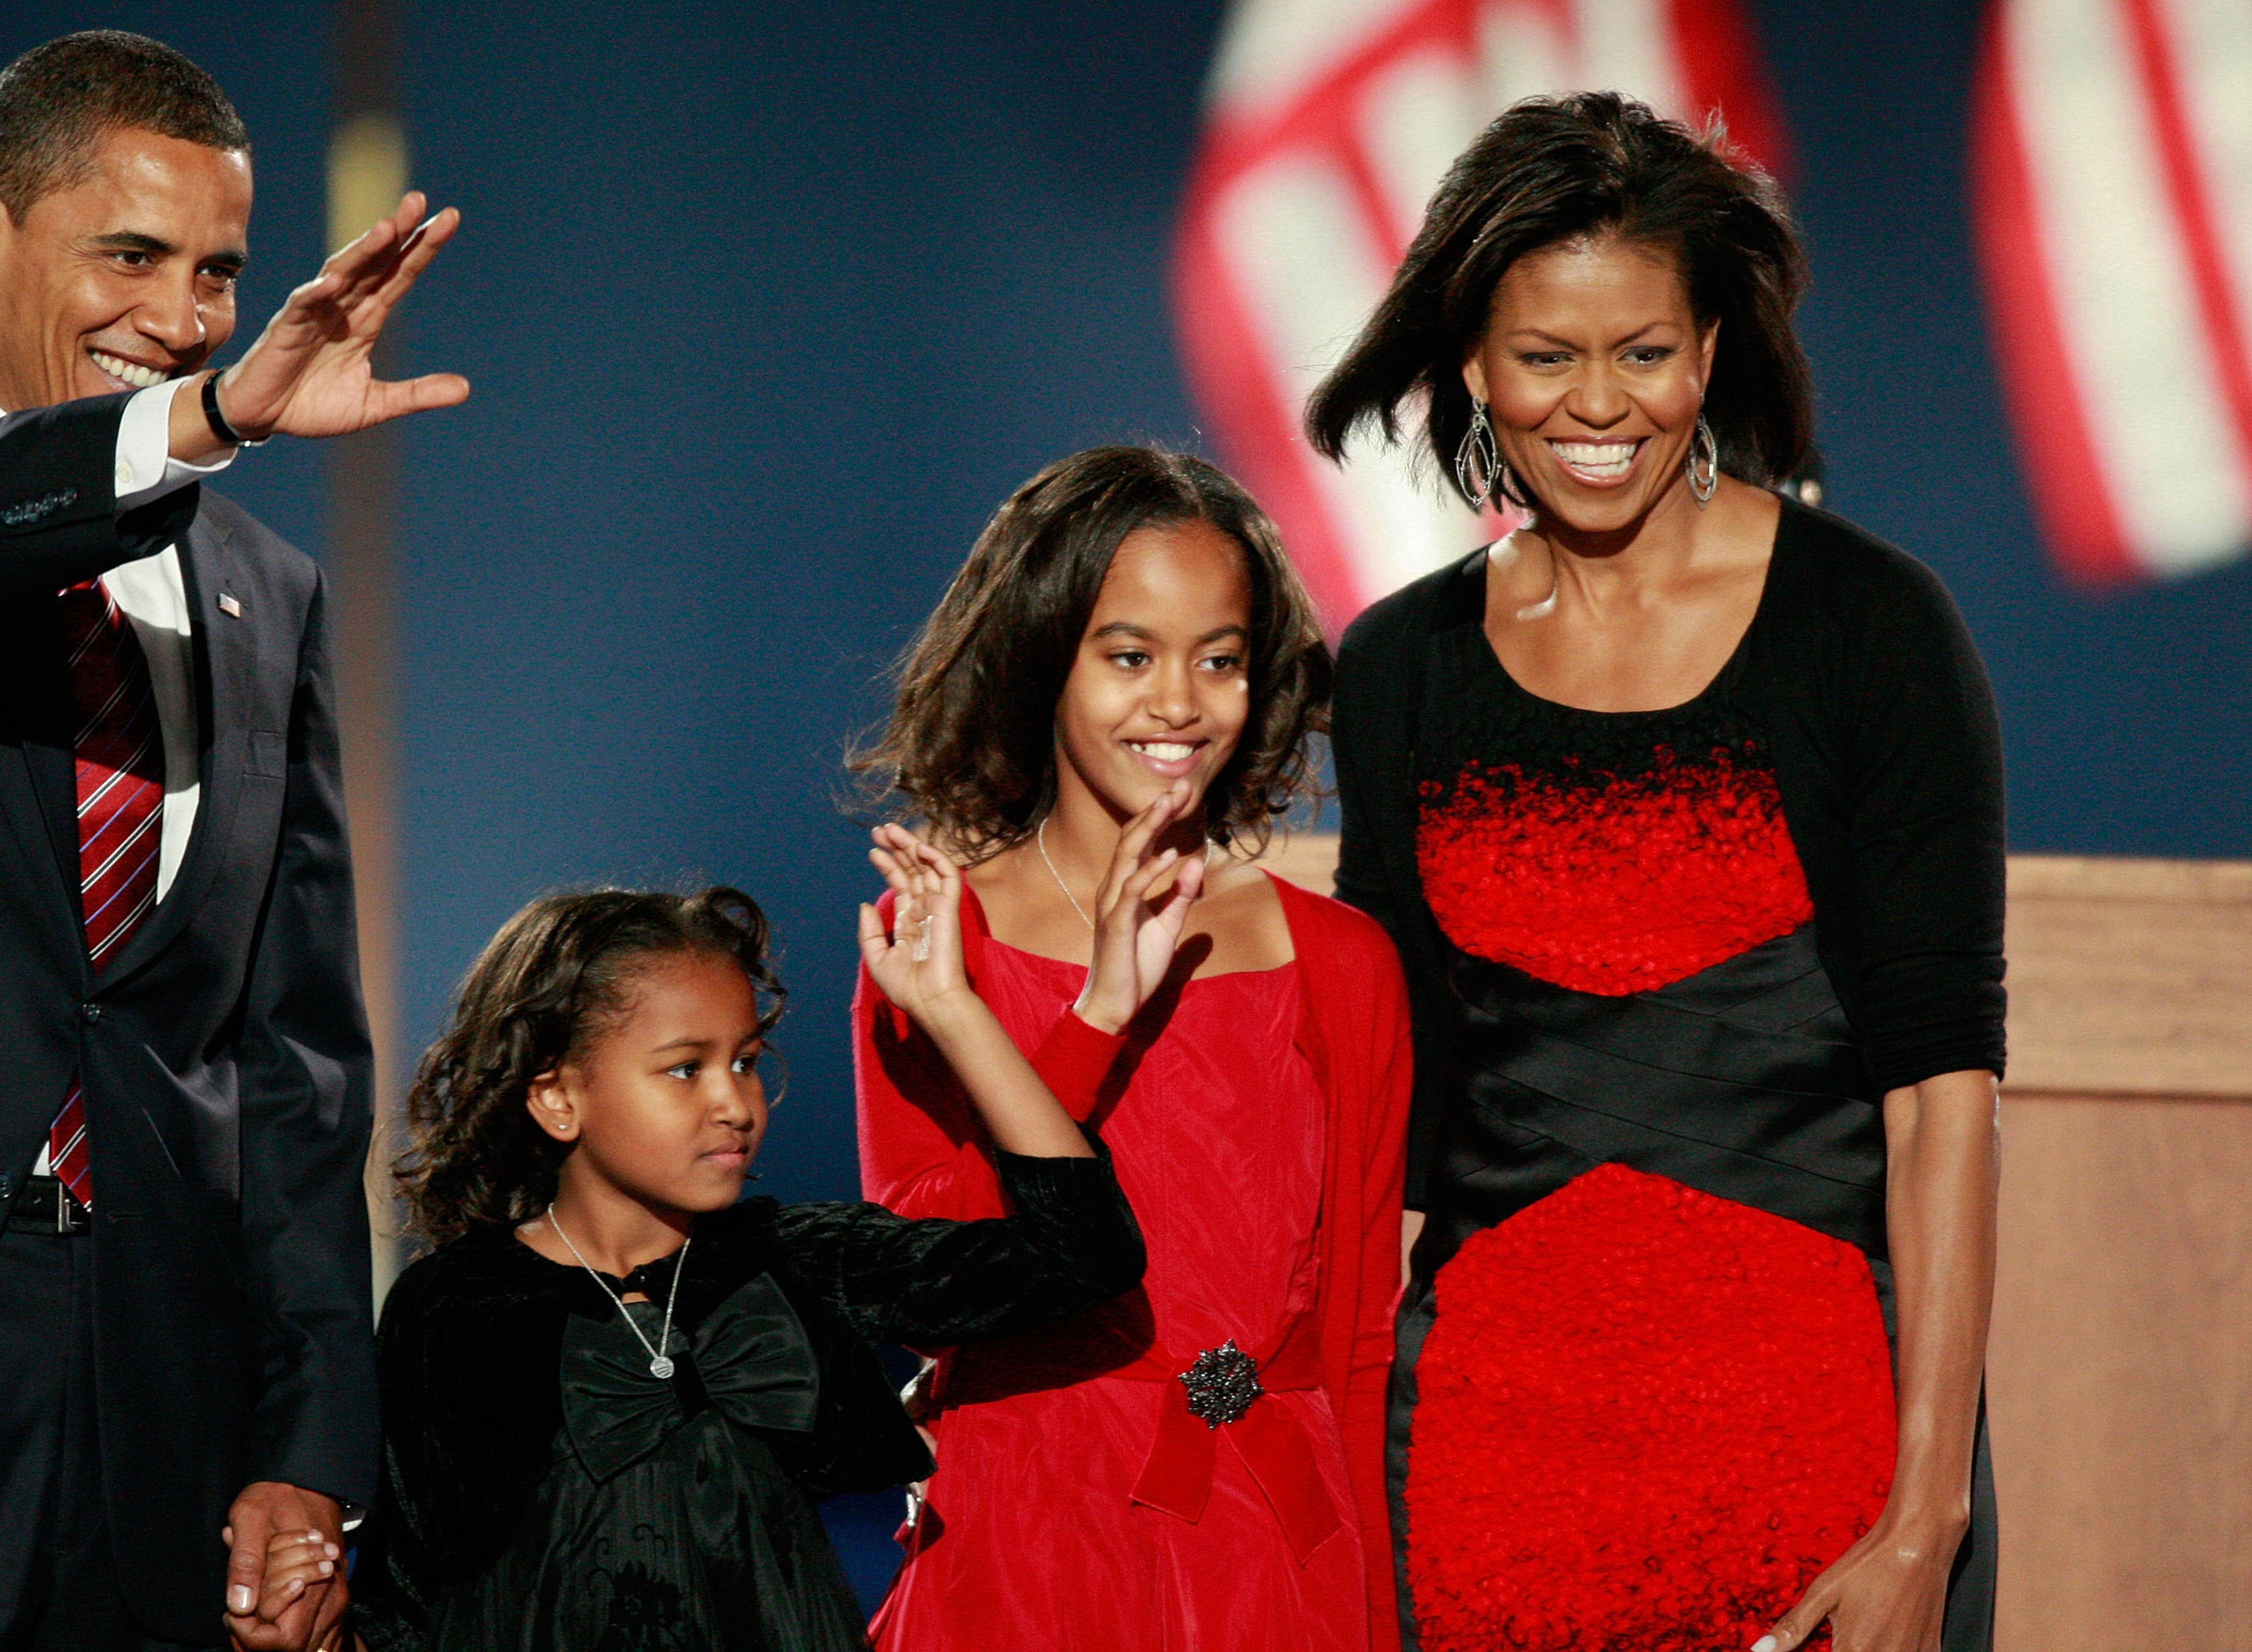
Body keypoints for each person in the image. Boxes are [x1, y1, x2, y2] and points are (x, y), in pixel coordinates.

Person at [0, 31, 467, 1652]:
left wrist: (305, 1439)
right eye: (133, 254)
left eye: (221, 270)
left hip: (139, 1398)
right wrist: (203, 421)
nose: (181, 316)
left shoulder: (262, 594)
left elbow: (293, 1062)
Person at [1310, 92, 2002, 1652]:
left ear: (1708, 354)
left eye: (1642, 350)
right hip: (1488, 1472)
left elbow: (1940, 1089)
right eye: (1544, 355)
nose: (1594, 402)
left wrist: (1925, 1511)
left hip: (1822, 1463)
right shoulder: (1402, 665)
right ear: (1471, 365)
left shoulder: (1868, 627)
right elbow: (1378, 1123)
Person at [851, 447, 1409, 1650]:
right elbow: (933, 1279)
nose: (1178, 702)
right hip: (1029, 1524)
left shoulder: (1342, 962)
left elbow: (1359, 1335)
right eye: (1130, 655)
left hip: (1272, 1529)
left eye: (1219, 659)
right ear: (1047, 659)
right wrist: (1093, 1018)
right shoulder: (946, 937)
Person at [345, 860, 1149, 1651]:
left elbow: (1081, 1254)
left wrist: (951, 1009)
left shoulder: (798, 1258)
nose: (734, 1103)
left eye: (745, 1062)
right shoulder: (451, 1303)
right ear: (558, 1097)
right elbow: (409, 1589)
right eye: (685, 1069)